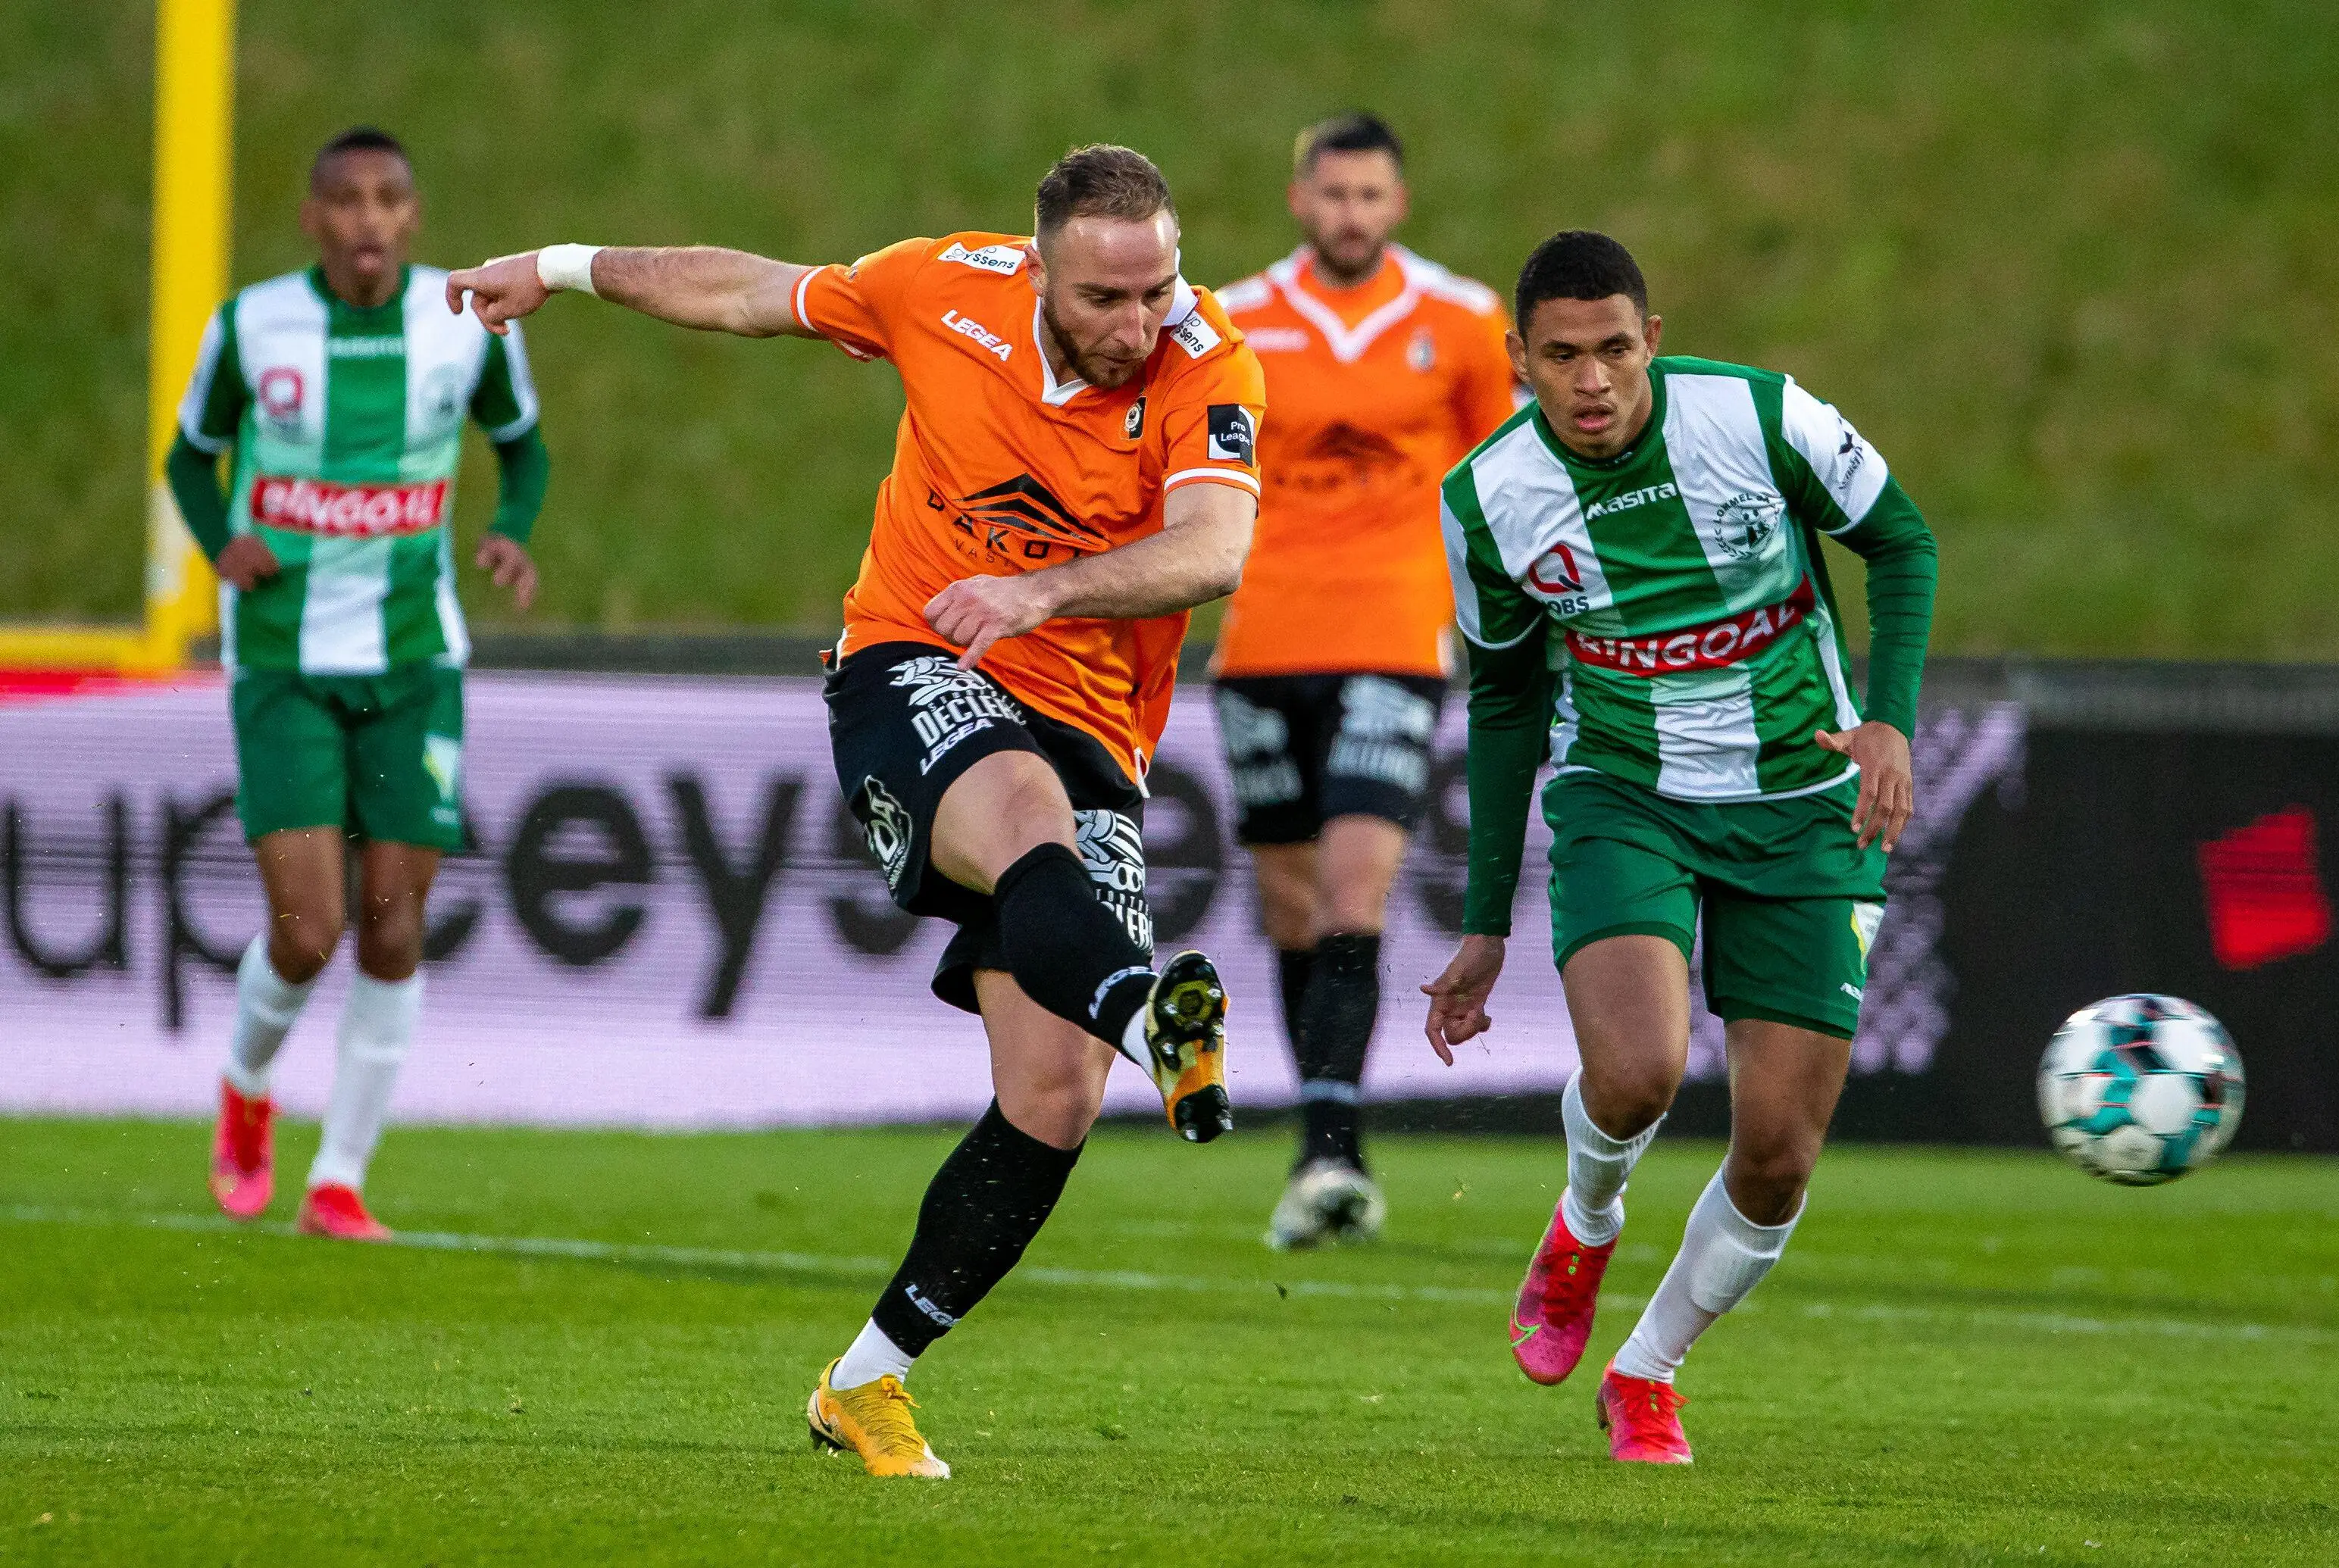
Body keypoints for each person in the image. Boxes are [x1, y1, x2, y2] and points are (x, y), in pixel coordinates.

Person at [448, 145, 1264, 1479]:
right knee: (1020, 825)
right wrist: (554, 268)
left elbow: (1216, 548)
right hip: (914, 657)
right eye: (1106, 300)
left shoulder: (1209, 361)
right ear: (1041, 268)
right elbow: (745, 293)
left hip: (1093, 714)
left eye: (1156, 291)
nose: (1137, 326)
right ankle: (1148, 1009)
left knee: (1053, 1097)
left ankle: (866, 1383)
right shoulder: (938, 287)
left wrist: (1044, 595)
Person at [1420, 231, 1937, 1463]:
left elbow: (1901, 541)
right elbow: (1499, 703)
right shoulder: (1486, 499)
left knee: (1777, 1152)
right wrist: (1485, 916)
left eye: (1613, 349)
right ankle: (1584, 1220)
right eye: (1562, 356)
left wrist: (1893, 724)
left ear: (1652, 338)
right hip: (1625, 791)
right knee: (1640, 1070)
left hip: (1808, 796)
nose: (1592, 380)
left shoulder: (1757, 418)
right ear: (1520, 362)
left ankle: (1647, 1368)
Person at [174, 127, 550, 1243]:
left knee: (393, 926)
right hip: (285, 658)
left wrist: (512, 528)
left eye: (390, 198)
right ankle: (246, 1087)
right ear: (314, 218)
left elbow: (521, 445)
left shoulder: (466, 322)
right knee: (307, 930)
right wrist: (219, 544)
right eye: (346, 199)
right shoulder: (251, 325)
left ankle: (337, 1177)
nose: (369, 219)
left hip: (413, 662)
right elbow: (191, 457)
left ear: (414, 216)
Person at [1212, 114, 1519, 1248]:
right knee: (1292, 909)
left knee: (1354, 892)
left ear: (1399, 202)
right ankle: (1321, 1137)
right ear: (1300, 198)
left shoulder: (1463, 318)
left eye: (1370, 196)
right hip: (1260, 643)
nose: (1352, 215)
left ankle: (1331, 1154)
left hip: (1395, 634)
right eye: (1333, 194)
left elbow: (1511, 479)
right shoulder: (1232, 319)